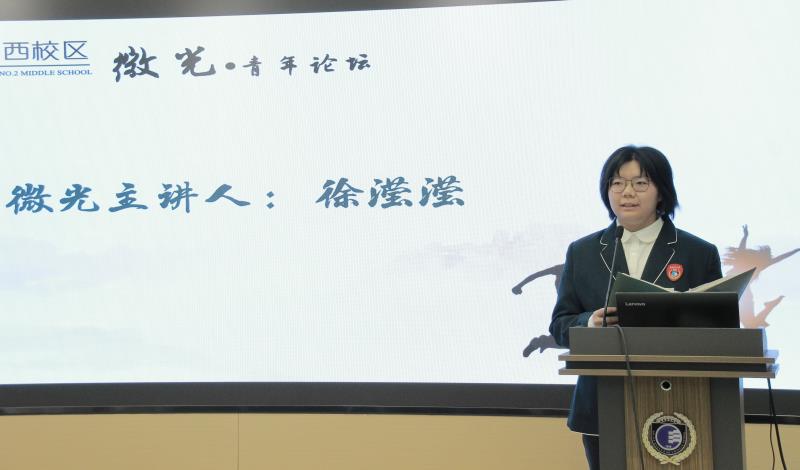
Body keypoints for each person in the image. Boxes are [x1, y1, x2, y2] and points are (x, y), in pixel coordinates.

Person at [548, 145, 722, 470]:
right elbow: (560, 326)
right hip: (602, 404)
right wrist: (589, 322)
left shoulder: (698, 253)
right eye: (617, 183)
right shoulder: (583, 252)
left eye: (640, 183)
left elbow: (721, 330)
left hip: (682, 402)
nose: (627, 192)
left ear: (661, 191)